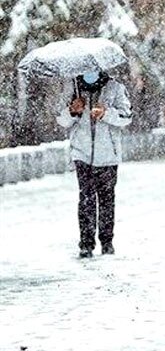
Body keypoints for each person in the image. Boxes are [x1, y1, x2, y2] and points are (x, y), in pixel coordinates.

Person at [56, 71, 132, 258]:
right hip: (82, 154)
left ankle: (107, 242)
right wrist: (73, 111)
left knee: (106, 199)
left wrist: (106, 113)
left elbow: (126, 116)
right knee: (86, 199)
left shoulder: (115, 88)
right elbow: (61, 119)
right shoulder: (73, 88)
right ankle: (86, 243)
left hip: (108, 155)